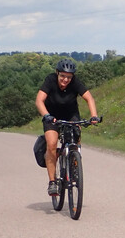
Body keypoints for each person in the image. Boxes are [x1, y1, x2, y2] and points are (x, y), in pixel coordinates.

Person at [35, 58, 99, 196]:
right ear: (57, 73)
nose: (65, 80)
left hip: (71, 114)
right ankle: (52, 182)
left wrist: (94, 116)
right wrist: (46, 115)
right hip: (51, 115)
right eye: (62, 76)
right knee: (51, 144)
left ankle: (74, 162)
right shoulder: (50, 80)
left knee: (76, 137)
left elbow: (89, 98)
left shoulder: (75, 83)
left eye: (69, 77)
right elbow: (39, 100)